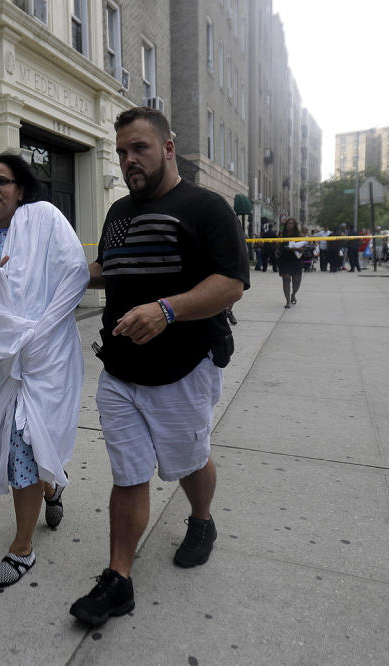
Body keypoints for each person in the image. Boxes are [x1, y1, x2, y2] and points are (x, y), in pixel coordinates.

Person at [69, 108, 249, 626]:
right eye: (121, 151)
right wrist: (59, 274)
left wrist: (167, 309)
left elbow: (231, 282)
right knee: (128, 474)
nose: (128, 159)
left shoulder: (205, 207)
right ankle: (118, 579)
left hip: (185, 366)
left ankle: (201, 519)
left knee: (189, 459)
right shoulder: (118, 212)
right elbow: (113, 268)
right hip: (121, 369)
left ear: (168, 148)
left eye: (139, 148)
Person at [0, 153, 89, 587]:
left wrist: (38, 332)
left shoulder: (44, 218)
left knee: (29, 441)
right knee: (15, 444)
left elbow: (75, 274)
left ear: (20, 189)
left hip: (47, 354)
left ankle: (22, 546)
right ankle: (50, 485)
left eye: (2, 181)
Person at [276, 217, 304, 308]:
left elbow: (303, 249)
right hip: (284, 259)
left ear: (295, 225)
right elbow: (278, 247)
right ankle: (288, 301)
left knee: (297, 281)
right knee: (286, 279)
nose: (289, 225)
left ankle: (293, 294)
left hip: (296, 259)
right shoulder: (281, 234)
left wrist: (294, 248)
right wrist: (277, 248)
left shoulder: (299, 235)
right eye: (288, 223)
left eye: (291, 223)